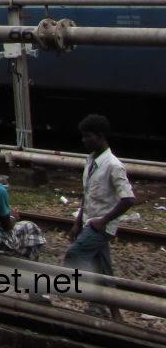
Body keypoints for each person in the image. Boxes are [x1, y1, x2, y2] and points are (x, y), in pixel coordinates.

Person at [63, 114, 136, 319]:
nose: (84, 141)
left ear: (100, 136)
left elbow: (128, 199)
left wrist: (103, 221)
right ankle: (115, 313)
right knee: (104, 269)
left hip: (101, 227)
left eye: (88, 137)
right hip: (89, 223)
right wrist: (78, 222)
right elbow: (87, 194)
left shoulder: (113, 165)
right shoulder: (91, 160)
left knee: (74, 255)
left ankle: (89, 298)